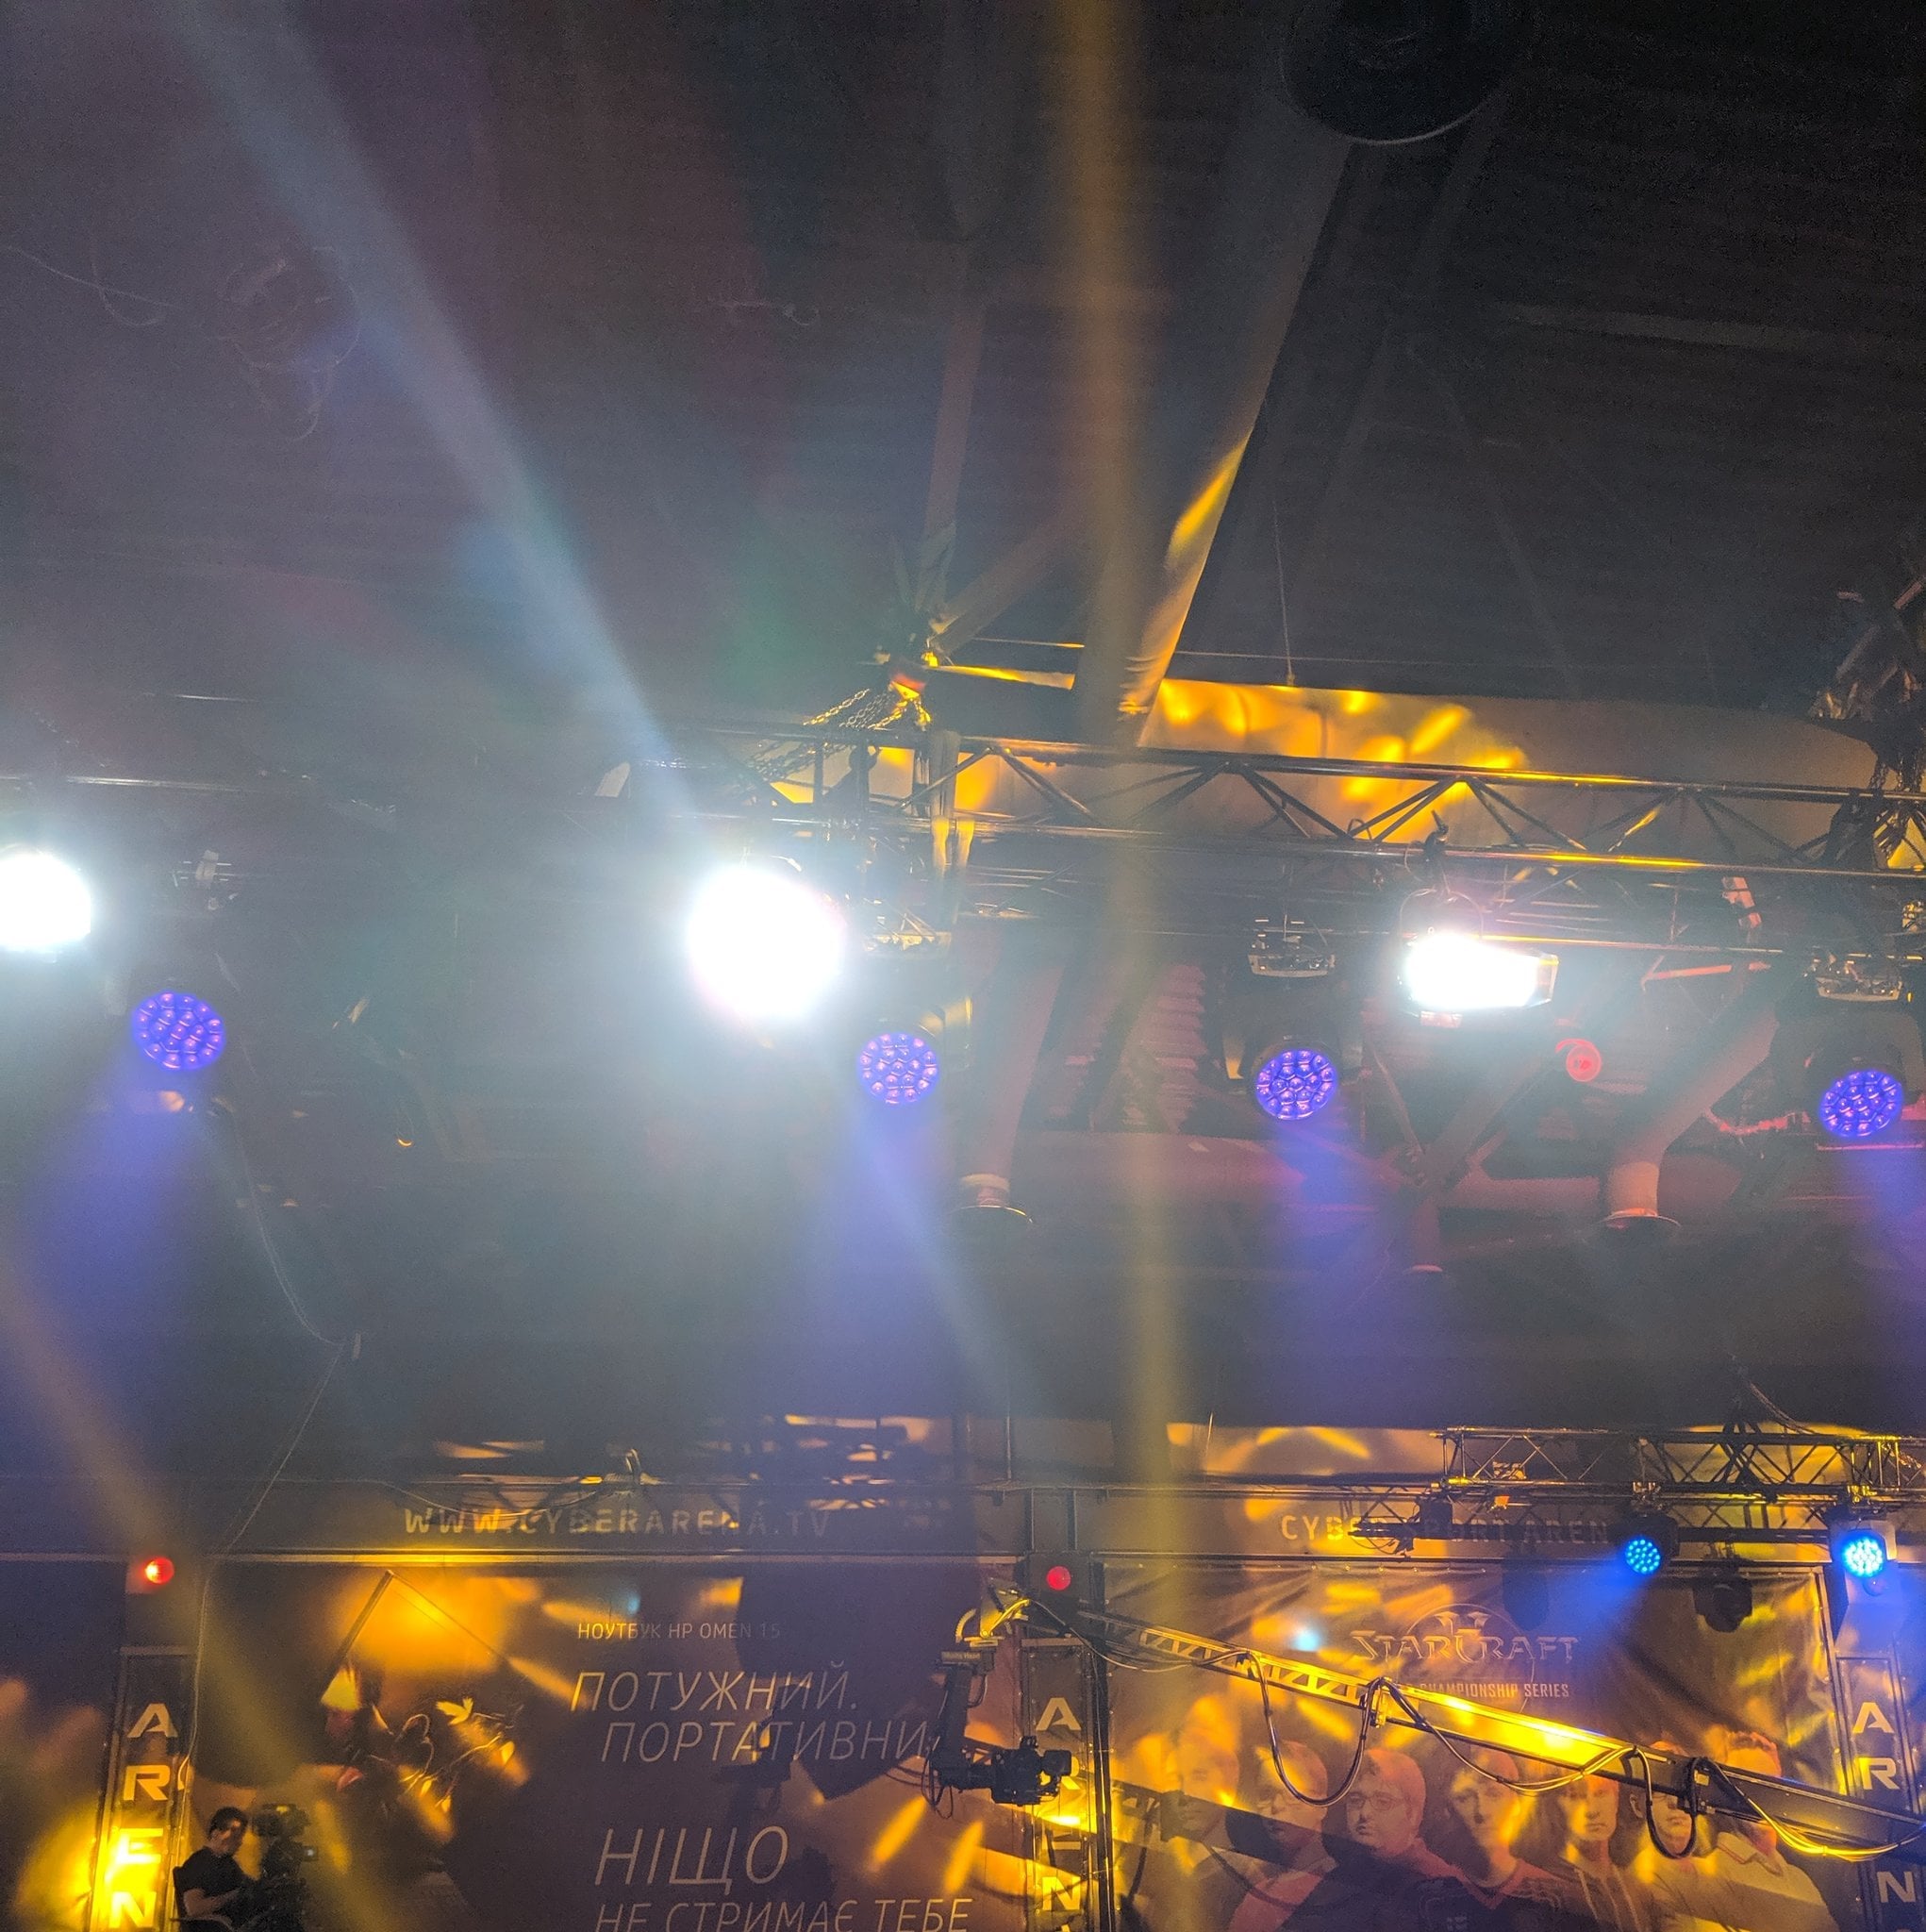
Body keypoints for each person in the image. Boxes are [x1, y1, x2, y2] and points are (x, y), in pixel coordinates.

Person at [1417, 1751, 1577, 1932]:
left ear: (1517, 1803)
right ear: (1448, 1809)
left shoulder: (1554, 1896)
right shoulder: (1430, 1896)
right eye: (1464, 1798)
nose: (1482, 1812)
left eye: (1494, 1794)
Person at [1554, 1774, 1648, 1932]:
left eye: (1601, 1793)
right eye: (1575, 1796)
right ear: (1558, 1806)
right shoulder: (1546, 1886)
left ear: (1616, 1800)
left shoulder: (1638, 1887)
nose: (1592, 1811)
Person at [176, 1809, 253, 1930]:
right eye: (234, 1835)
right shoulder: (199, 1863)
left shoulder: (228, 1864)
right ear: (216, 1833)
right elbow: (194, 1908)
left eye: (240, 1836)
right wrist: (232, 1896)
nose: (239, 1842)